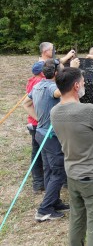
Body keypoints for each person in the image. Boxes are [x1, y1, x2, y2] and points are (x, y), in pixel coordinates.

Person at [50, 67, 93, 246]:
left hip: (73, 175)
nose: (85, 84)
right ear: (76, 86)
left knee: (76, 219)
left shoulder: (54, 112)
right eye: (83, 82)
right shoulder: (87, 110)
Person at [23, 59, 70, 221]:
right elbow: (60, 93)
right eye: (62, 70)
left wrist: (40, 119)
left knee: (49, 170)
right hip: (50, 136)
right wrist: (73, 73)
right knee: (58, 172)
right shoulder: (51, 87)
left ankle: (55, 202)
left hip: (41, 133)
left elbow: (26, 103)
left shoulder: (37, 85)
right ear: (56, 73)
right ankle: (44, 210)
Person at [26, 62, 46, 194]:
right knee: (39, 153)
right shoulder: (39, 82)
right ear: (42, 72)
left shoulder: (32, 80)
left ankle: (39, 182)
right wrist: (39, 119)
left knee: (37, 152)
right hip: (37, 123)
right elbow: (28, 104)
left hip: (34, 123)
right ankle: (38, 182)